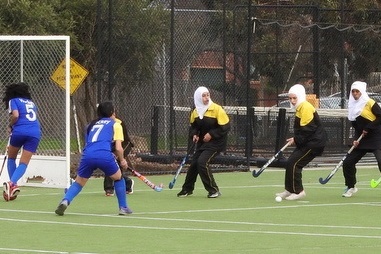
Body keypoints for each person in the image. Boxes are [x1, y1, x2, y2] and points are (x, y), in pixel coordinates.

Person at [55, 101, 132, 215]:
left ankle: (65, 200)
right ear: (112, 112)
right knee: (118, 178)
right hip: (104, 155)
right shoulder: (116, 124)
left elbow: (90, 143)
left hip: (88, 155)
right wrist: (122, 160)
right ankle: (123, 207)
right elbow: (119, 148)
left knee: (79, 182)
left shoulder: (90, 125)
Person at [276, 84, 327, 200]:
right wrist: (295, 138)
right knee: (290, 162)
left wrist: (296, 139)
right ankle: (289, 190)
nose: (292, 101)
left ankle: (299, 191)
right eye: (290, 98)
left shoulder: (306, 107)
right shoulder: (299, 108)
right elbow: (302, 130)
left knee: (295, 163)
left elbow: (308, 129)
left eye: (295, 98)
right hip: (307, 141)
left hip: (314, 143)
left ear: (300, 97)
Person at [177, 86, 230, 198]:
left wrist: (211, 134)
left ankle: (213, 190)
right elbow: (194, 126)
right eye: (203, 95)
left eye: (208, 95)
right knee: (194, 164)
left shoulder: (217, 109)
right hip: (203, 144)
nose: (206, 98)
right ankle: (187, 189)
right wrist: (194, 134)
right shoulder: (195, 111)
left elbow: (225, 127)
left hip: (216, 143)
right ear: (198, 98)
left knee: (202, 162)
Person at [2, 82, 41, 202]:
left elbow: (16, 115)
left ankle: (12, 184)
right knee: (24, 163)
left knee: (11, 158)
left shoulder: (13, 100)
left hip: (19, 131)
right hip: (35, 132)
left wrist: (10, 126)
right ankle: (12, 184)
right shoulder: (31, 103)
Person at [342, 81, 381, 197]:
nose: (355, 93)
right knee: (348, 162)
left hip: (376, 137)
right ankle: (351, 187)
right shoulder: (352, 106)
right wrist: (355, 139)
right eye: (353, 91)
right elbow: (356, 127)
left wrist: (368, 128)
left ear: (362, 92)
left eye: (357, 91)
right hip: (362, 139)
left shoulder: (370, 103)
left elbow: (380, 117)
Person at [104, 118, 135, 196]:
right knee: (111, 167)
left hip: (124, 145)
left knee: (111, 164)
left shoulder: (118, 123)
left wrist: (120, 157)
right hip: (113, 146)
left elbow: (119, 143)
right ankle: (128, 183)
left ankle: (109, 188)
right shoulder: (102, 123)